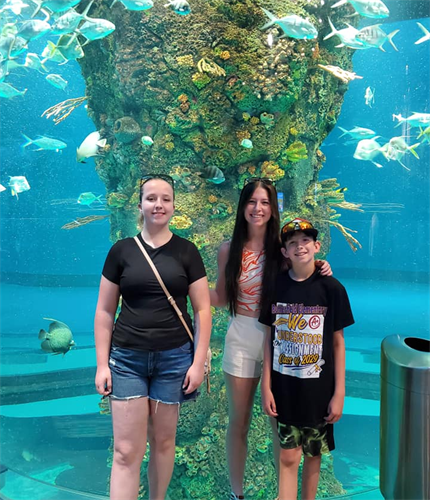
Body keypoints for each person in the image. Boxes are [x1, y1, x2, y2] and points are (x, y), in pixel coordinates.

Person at [210, 179, 332, 500]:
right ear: (243, 206)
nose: (258, 208)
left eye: (264, 202)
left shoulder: (283, 249)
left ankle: (284, 494)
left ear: (273, 208)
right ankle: (237, 494)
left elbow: (305, 273)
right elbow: (221, 298)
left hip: (280, 340)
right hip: (240, 336)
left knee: (282, 425)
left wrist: (321, 266)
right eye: (251, 201)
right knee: (239, 422)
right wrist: (187, 284)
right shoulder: (228, 249)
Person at [94, 174, 211, 500]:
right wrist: (102, 365)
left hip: (174, 360)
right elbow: (104, 311)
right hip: (127, 361)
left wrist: (198, 362)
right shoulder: (121, 252)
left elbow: (203, 311)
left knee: (163, 443)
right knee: (126, 451)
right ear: (140, 205)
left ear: (173, 205)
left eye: (166, 199)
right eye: (151, 198)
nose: (158, 204)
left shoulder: (187, 252)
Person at [260, 218, 354, 500]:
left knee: (314, 457)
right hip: (284, 389)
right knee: (288, 457)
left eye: (305, 241)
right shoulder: (275, 287)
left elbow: (338, 342)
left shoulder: (332, 288)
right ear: (285, 253)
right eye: (292, 243)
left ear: (317, 246)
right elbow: (269, 338)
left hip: (319, 392)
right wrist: (266, 386)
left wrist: (339, 392)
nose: (299, 247)